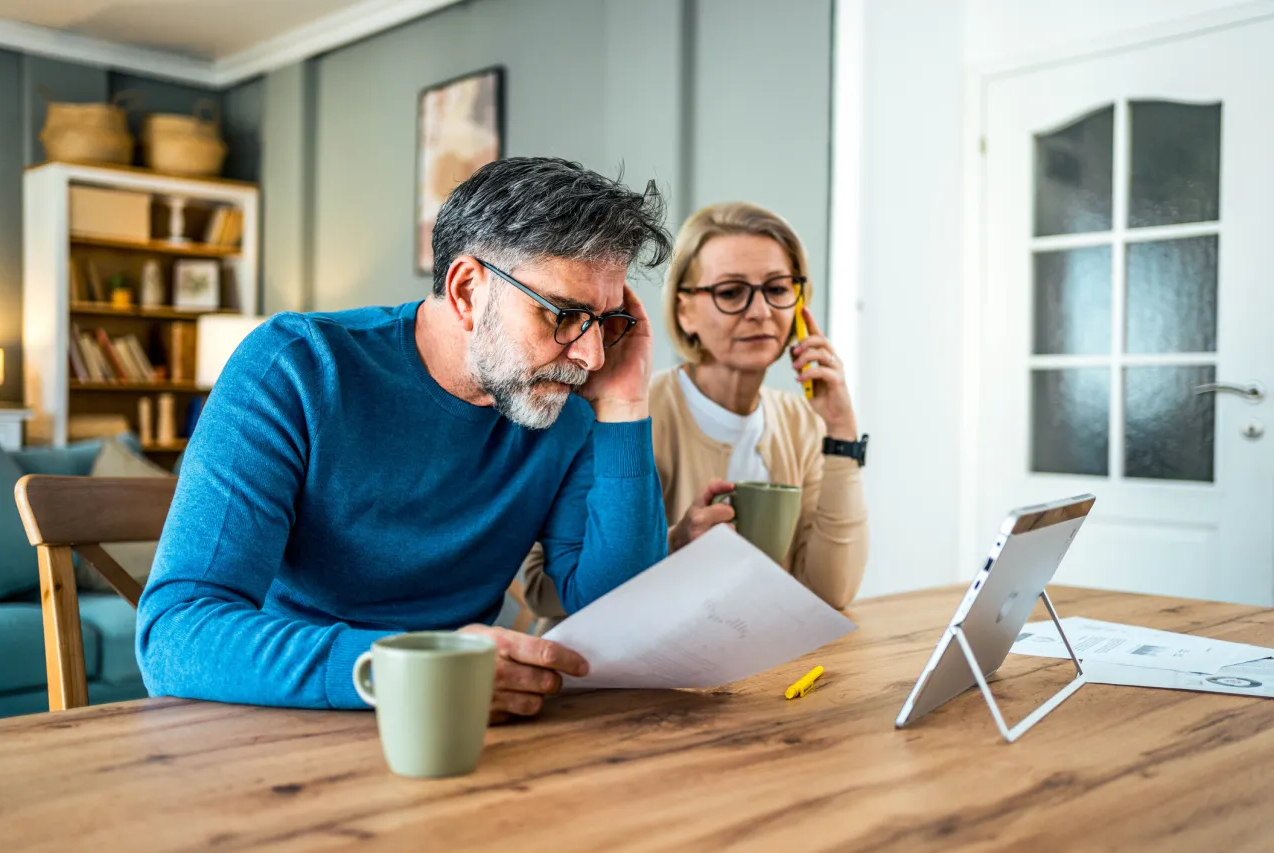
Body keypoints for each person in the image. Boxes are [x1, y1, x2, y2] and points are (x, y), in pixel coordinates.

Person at [136, 157, 673, 721]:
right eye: (564, 315)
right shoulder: (297, 367)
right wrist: (411, 671)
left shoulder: (561, 402)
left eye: (607, 323)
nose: (590, 356)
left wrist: (625, 407)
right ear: (467, 290)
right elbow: (176, 634)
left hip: (461, 722)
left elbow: (618, 608)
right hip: (287, 715)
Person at [524, 201, 867, 622]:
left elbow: (830, 591)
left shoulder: (802, 423)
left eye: (777, 289)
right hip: (610, 675)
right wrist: (672, 546)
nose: (760, 311)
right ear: (684, 310)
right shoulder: (620, 412)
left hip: (738, 664)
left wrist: (842, 432)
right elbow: (541, 591)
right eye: (730, 292)